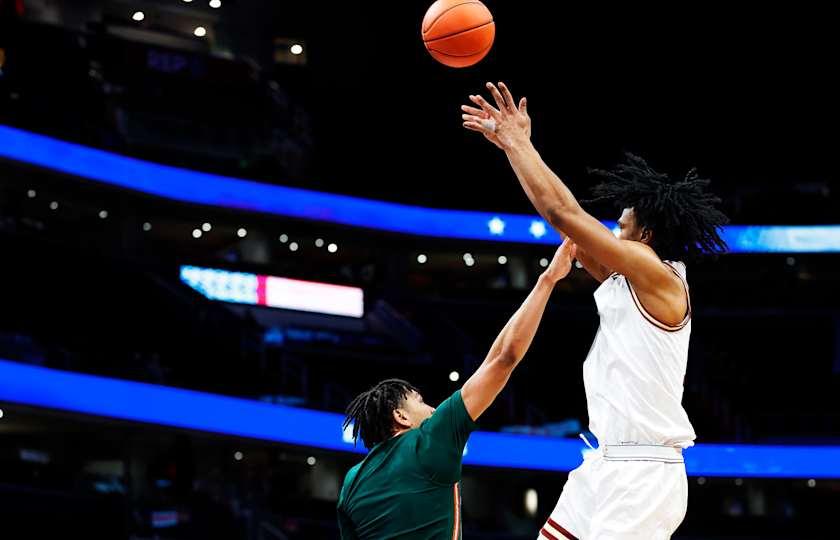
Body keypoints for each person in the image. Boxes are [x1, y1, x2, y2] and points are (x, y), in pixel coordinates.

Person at [462, 82, 728, 539]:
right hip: (605, 462)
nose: (611, 235)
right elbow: (565, 221)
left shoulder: (659, 275)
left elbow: (565, 214)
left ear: (645, 238)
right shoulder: (627, 280)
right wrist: (513, 152)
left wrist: (518, 142)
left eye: (621, 228)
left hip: (644, 473)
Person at [337, 239, 577, 539]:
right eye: (420, 400)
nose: (432, 408)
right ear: (401, 416)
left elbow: (493, 361)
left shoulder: (351, 481)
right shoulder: (427, 441)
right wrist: (548, 279)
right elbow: (504, 359)